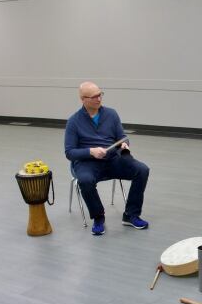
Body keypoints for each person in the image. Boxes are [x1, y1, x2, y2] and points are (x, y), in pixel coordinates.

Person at [64, 81, 150, 236]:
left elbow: (122, 137)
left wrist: (124, 145)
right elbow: (70, 152)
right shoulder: (73, 121)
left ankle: (131, 215)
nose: (98, 99)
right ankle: (98, 217)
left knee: (142, 170)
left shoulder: (111, 114)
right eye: (94, 96)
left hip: (112, 159)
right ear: (83, 99)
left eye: (100, 94)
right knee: (85, 180)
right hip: (87, 163)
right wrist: (90, 151)